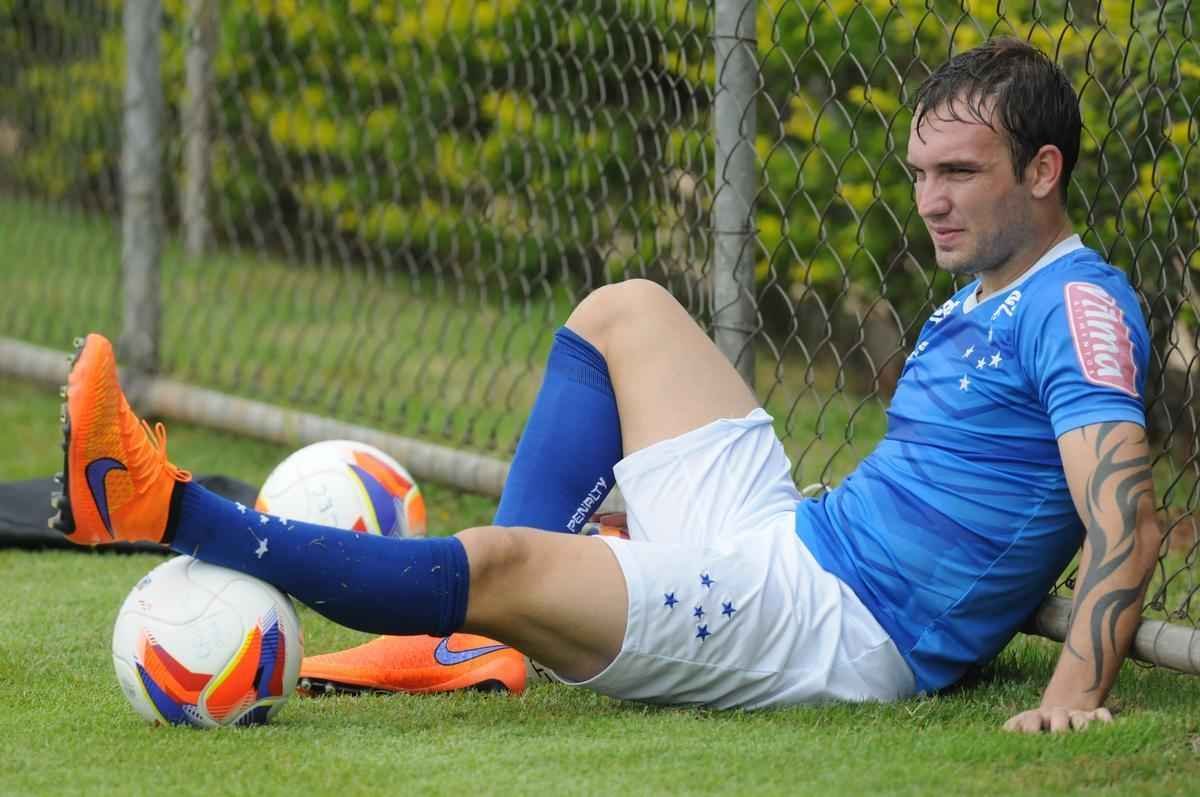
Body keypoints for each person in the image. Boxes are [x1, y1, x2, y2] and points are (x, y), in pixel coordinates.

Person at [52, 38, 1162, 731]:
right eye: (920, 173)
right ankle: (473, 643)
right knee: (626, 310)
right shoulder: (983, 288)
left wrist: (1071, 696)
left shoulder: (1077, 305)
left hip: (836, 625)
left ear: (1044, 170)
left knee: (504, 561)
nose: (930, 201)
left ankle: (159, 507)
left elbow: (1128, 516)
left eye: (959, 173)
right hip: (799, 540)